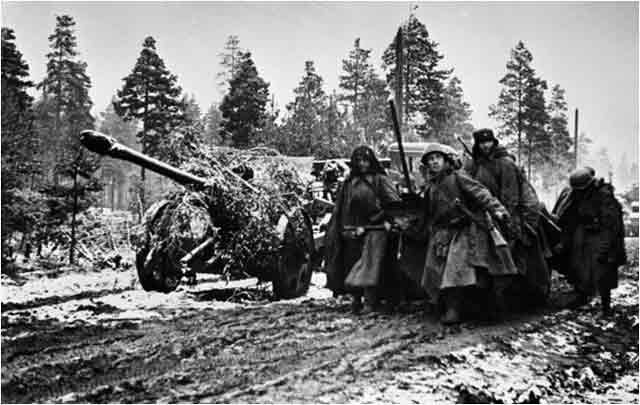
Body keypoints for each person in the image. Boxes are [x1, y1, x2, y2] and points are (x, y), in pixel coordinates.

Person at [418, 143, 517, 324]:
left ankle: (455, 311)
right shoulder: (430, 186)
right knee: (435, 272)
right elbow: (427, 213)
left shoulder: (458, 177)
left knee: (455, 272)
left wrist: (498, 210)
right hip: (441, 234)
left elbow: (481, 194)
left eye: (437, 158)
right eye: (430, 160)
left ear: (446, 160)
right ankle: (449, 306)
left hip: (464, 231)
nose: (434, 163)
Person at [463, 128, 551, 306]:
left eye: (488, 142)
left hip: (507, 215)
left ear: (494, 142)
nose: (485, 146)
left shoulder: (505, 164)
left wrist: (506, 218)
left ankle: (515, 296)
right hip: (483, 215)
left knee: (514, 255)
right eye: (481, 143)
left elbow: (510, 196)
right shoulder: (474, 164)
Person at [324, 146, 402, 314]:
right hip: (354, 231)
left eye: (365, 160)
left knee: (371, 266)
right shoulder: (350, 183)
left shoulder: (380, 180)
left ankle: (371, 302)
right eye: (358, 161)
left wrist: (385, 219)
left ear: (371, 161)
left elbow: (394, 205)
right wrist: (344, 229)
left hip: (377, 230)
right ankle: (356, 300)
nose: (362, 164)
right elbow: (343, 208)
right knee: (352, 264)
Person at [552, 167, 627, 315]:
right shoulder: (576, 195)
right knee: (579, 266)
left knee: (603, 269)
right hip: (584, 235)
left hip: (602, 235)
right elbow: (570, 220)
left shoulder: (604, 196)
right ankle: (582, 295)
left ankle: (606, 305)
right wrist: (565, 242)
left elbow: (611, 225)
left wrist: (605, 247)